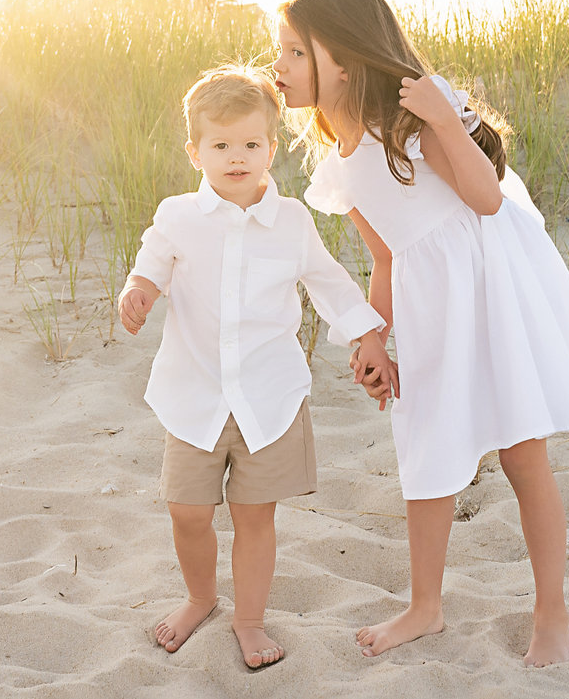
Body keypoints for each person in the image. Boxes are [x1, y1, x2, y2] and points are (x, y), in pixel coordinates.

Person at [272, 0, 569, 667]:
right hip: (431, 307)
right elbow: (386, 255)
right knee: (425, 449)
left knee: (521, 453)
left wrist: (444, 118)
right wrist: (372, 335)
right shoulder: (340, 163)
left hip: (489, 291)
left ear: (345, 62)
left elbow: (485, 199)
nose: (277, 64)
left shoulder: (411, 121)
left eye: (295, 51)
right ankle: (425, 606)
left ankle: (551, 610)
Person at [118, 64, 397, 670]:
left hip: (269, 398)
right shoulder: (177, 216)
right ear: (195, 152)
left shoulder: (292, 220)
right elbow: (149, 267)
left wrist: (368, 335)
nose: (236, 157)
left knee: (254, 518)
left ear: (272, 148)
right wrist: (137, 293)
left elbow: (329, 283)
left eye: (250, 144)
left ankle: (248, 619)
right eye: (220, 145)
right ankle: (200, 598)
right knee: (187, 511)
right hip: (194, 396)